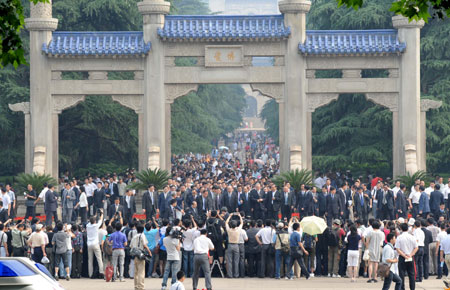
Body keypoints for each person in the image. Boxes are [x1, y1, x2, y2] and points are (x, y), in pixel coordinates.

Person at [396, 222, 418, 290]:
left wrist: (404, 255)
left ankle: (402, 288)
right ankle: (412, 288)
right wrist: (411, 254)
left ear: (401, 229)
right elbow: (416, 247)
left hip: (402, 257)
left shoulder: (399, 237)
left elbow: (397, 248)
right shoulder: (412, 237)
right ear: (408, 229)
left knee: (401, 274)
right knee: (411, 274)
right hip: (410, 257)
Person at [130, 223, 151, 290]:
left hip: (135, 255)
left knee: (136, 272)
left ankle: (136, 286)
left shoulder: (134, 236)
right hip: (141, 255)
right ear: (143, 229)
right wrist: (149, 252)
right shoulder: (142, 235)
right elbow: (144, 245)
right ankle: (141, 287)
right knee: (141, 272)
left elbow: (131, 246)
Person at [86, 210, 104, 279]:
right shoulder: (96, 226)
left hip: (89, 244)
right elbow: (101, 220)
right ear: (95, 221)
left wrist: (95, 215)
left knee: (90, 260)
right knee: (99, 258)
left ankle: (90, 274)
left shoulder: (88, 226)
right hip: (95, 243)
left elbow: (91, 220)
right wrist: (101, 213)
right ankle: (101, 272)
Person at [225, 212, 243, 278]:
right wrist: (239, 216)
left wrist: (229, 216)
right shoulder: (238, 230)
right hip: (236, 245)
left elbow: (226, 223)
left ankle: (230, 274)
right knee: (236, 261)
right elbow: (241, 223)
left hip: (230, 245)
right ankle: (236, 274)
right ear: (236, 225)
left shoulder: (229, 230)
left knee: (229, 261)